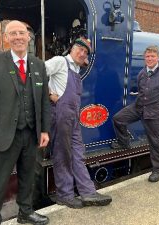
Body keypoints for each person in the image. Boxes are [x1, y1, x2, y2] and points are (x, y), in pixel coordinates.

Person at [0, 20, 50, 225]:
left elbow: (45, 101)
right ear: (6, 38)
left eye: (22, 32)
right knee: (0, 180)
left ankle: (25, 212)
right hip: (4, 133)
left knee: (28, 176)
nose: (18, 36)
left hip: (31, 132)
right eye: (13, 33)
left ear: (28, 37)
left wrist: (44, 130)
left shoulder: (38, 64)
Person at [45, 37, 112, 209]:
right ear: (71, 49)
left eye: (85, 52)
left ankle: (88, 192)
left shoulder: (76, 69)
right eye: (79, 49)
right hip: (60, 115)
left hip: (72, 117)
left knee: (78, 154)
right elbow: (37, 74)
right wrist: (49, 93)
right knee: (62, 155)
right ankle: (64, 195)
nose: (82, 53)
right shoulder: (60, 61)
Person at [111, 45, 159, 182]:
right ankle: (124, 142)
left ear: (158, 58)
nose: (150, 59)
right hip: (139, 107)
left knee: (155, 142)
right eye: (147, 56)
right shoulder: (142, 73)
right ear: (144, 58)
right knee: (118, 119)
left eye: (152, 56)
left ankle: (157, 170)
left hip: (155, 112)